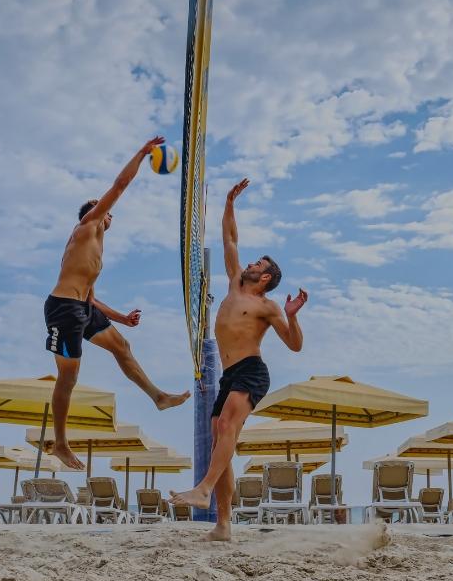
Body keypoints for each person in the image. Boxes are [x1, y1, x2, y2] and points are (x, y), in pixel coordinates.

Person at [170, 179, 307, 541]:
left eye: (256, 264)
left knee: (227, 425)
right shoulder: (233, 284)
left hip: (251, 371)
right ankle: (224, 524)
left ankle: (202, 490)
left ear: (265, 277)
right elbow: (230, 238)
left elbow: (294, 346)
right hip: (229, 375)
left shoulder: (268, 306)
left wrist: (292, 315)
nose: (247, 263)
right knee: (220, 441)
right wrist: (230, 203)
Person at [44, 137, 191, 470]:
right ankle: (61, 444)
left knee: (122, 346)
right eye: (103, 208)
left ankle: (159, 397)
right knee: (68, 379)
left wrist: (122, 318)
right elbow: (121, 184)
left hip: (82, 308)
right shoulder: (86, 227)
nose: (109, 213)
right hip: (63, 310)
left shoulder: (96, 253)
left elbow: (92, 298)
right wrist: (141, 153)